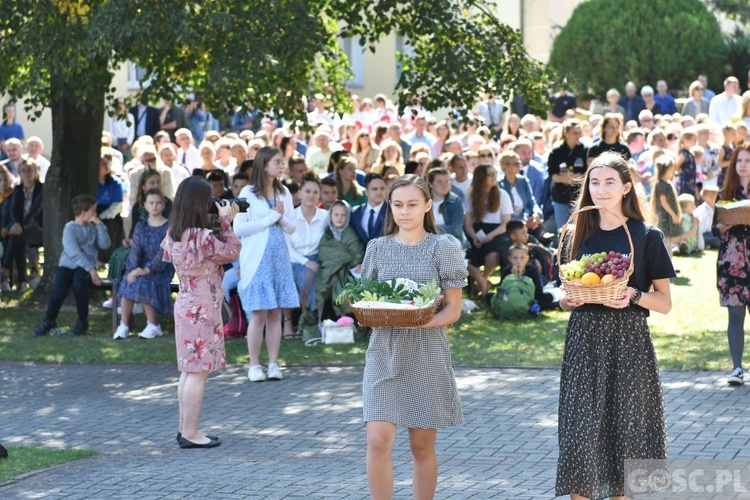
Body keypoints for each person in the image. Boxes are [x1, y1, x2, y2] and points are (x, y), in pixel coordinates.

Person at [556, 152, 675, 499]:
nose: (601, 189)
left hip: (629, 343)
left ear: (626, 187)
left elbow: (664, 302)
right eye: (595, 182)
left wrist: (634, 296)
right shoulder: (574, 234)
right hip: (583, 341)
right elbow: (565, 296)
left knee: (625, 440)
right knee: (579, 440)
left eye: (610, 182)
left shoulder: (647, 236)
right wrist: (569, 301)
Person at [360, 174, 467, 500]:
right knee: (378, 439)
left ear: (427, 206)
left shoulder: (443, 246)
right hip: (384, 351)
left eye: (412, 204)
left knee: (421, 446)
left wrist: (419, 322)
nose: (404, 211)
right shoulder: (376, 248)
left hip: (426, 352)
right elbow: (366, 302)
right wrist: (375, 314)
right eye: (398, 205)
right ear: (389, 207)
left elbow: (453, 310)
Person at [161, 177, 240, 448]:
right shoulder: (202, 236)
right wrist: (227, 221)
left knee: (188, 370)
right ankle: (191, 434)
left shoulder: (173, 232)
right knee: (198, 372)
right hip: (203, 308)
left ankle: (185, 429)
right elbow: (232, 252)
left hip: (184, 303)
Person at [234, 146, 298, 383]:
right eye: (277, 162)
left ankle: (273, 363)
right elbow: (239, 228)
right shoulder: (248, 193)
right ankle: (253, 364)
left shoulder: (284, 193)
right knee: (258, 313)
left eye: (282, 162)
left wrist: (279, 217)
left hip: (279, 257)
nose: (282, 166)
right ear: (264, 165)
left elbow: (292, 226)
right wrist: (269, 218)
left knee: (275, 312)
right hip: (257, 258)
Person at [32, 195, 111, 337]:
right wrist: (92, 270)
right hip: (68, 265)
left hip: (84, 267)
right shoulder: (69, 228)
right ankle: (49, 320)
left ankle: (82, 321)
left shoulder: (94, 228)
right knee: (59, 290)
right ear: (83, 212)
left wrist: (100, 225)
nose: (95, 214)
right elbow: (73, 252)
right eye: (93, 211)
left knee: (79, 285)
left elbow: (105, 244)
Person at [113, 189, 175, 340]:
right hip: (140, 268)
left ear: (163, 205)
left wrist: (146, 269)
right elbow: (136, 251)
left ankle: (153, 325)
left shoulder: (169, 228)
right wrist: (132, 270)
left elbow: (163, 254)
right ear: (145, 206)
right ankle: (124, 326)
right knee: (128, 280)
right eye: (151, 203)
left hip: (160, 269)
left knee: (143, 281)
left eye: (158, 203)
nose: (154, 206)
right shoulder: (141, 226)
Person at [712, 144, 750, 386]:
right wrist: (722, 227)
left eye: (747, 160)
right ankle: (737, 368)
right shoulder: (725, 193)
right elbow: (714, 228)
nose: (743, 164)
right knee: (735, 315)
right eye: (739, 161)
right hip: (732, 263)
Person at [285, 174, 327, 339]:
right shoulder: (290, 217)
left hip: (318, 259)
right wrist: (305, 261)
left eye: (315, 192)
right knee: (305, 274)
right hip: (294, 259)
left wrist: (313, 261)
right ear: (299, 194)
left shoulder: (325, 216)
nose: (311, 195)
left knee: (314, 274)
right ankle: (304, 321)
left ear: (319, 195)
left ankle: (311, 322)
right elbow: (287, 247)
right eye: (307, 191)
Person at [464, 164, 513, 295]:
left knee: (494, 253)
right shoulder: (470, 195)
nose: (493, 177)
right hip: (477, 230)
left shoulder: (502, 194)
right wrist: (474, 236)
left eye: (494, 174)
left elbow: (506, 222)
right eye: (489, 175)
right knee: (465, 254)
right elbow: (468, 223)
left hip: (497, 231)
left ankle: (483, 280)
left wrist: (490, 236)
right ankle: (481, 281)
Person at [315, 200, 365, 321]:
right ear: (330, 215)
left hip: (348, 272)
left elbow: (357, 255)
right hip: (329, 271)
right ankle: (319, 321)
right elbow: (324, 254)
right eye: (336, 215)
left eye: (343, 215)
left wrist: (344, 260)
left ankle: (348, 321)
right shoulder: (326, 234)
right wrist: (341, 259)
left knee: (347, 287)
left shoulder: (352, 234)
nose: (339, 218)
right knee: (321, 286)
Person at [1, 158, 43, 291]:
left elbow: (35, 209)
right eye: (23, 170)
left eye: (29, 170)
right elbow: (14, 210)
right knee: (18, 239)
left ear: (35, 171)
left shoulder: (42, 189)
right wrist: (17, 223)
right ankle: (22, 282)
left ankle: (5, 273)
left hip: (39, 229)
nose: (26, 173)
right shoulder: (18, 189)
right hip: (21, 229)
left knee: (17, 236)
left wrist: (20, 225)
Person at [548, 119, 587, 230]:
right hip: (560, 196)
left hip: (578, 196)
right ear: (566, 133)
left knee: (578, 229)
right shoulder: (556, 151)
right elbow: (552, 174)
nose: (578, 136)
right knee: (562, 229)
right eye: (575, 133)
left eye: (579, 133)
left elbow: (585, 172)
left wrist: (572, 178)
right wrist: (566, 178)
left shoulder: (584, 150)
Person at [427, 167, 468, 247]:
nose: (444, 184)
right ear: (431, 184)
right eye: (440, 181)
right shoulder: (423, 202)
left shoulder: (455, 201)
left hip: (450, 240)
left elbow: (456, 229)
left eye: (447, 181)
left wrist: (431, 229)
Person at [651, 155, 682, 255]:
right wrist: (673, 215)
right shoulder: (661, 184)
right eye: (672, 168)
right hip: (664, 217)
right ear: (667, 169)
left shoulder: (667, 183)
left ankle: (670, 265)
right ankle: (666, 265)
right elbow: (663, 201)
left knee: (669, 242)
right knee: (665, 241)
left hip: (668, 217)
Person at [351, 173, 387, 246]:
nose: (379, 192)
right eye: (375, 189)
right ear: (367, 191)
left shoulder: (392, 212)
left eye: (382, 188)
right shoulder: (355, 212)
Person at [694, 185, 720, 250]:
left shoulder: (717, 208)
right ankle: (706, 244)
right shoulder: (701, 210)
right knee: (718, 240)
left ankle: (708, 244)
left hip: (714, 232)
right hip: (704, 234)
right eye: (712, 196)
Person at [674, 129, 698, 197]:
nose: (695, 141)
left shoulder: (689, 153)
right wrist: (681, 171)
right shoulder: (684, 154)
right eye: (694, 139)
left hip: (690, 181)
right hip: (685, 182)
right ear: (687, 140)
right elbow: (675, 166)